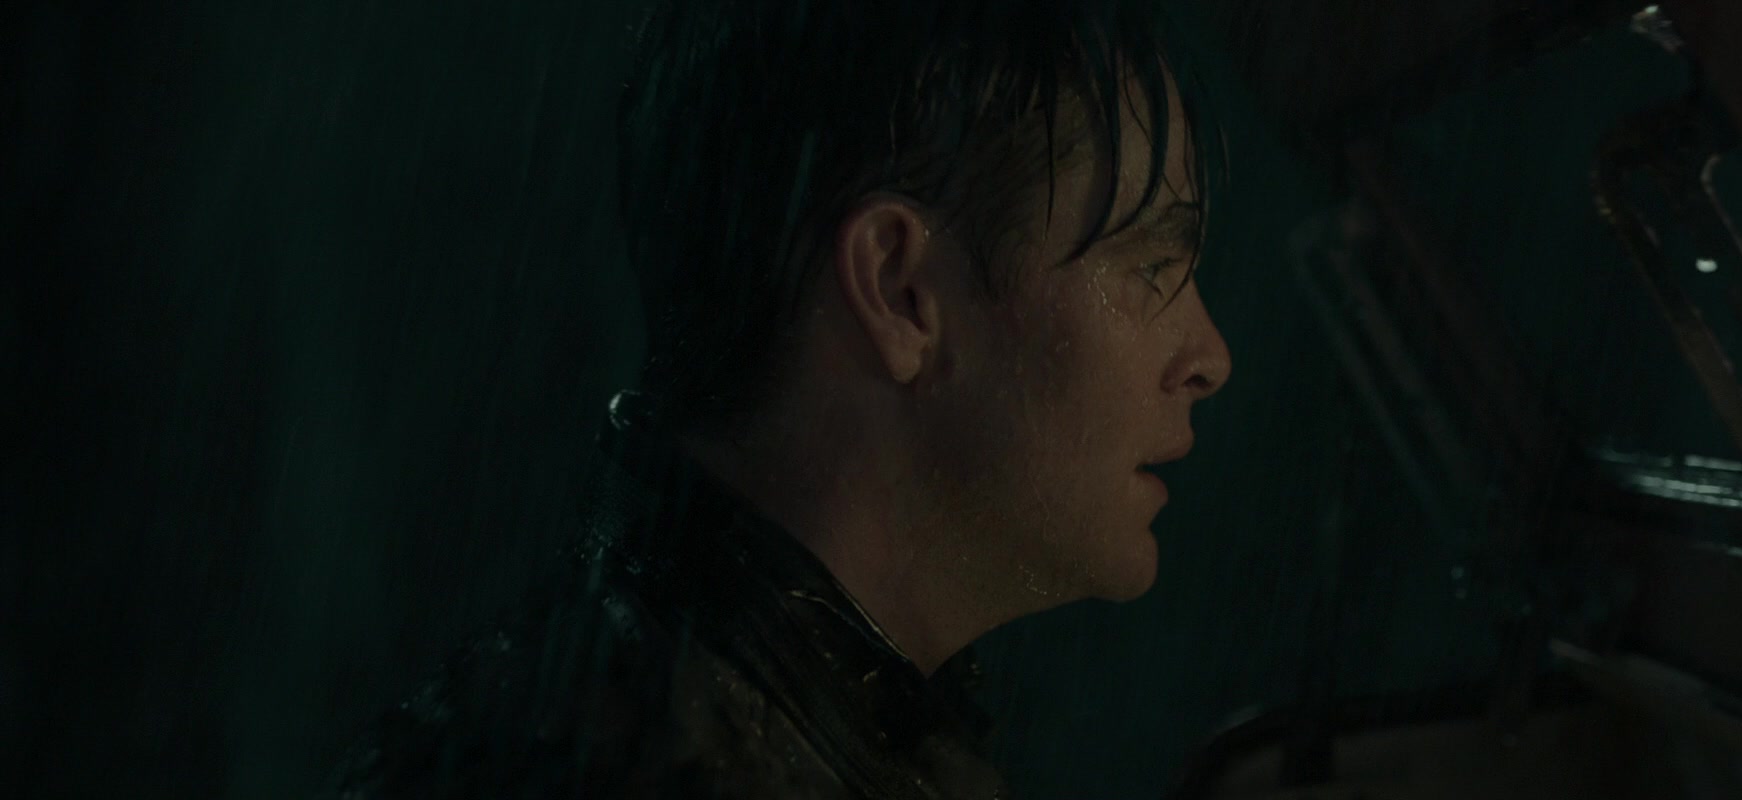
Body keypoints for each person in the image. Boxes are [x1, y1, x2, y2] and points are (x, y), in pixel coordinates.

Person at [330, 1, 1232, 796]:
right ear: (901, 289)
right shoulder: (627, 763)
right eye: (1151, 264)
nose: (1210, 358)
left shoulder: (648, 715)